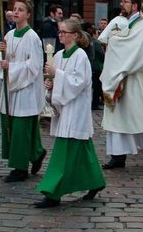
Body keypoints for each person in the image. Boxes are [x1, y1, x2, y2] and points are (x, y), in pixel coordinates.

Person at [35, 18, 106, 208]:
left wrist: (57, 74)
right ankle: (95, 181)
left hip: (75, 109)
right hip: (63, 107)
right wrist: (50, 83)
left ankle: (53, 193)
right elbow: (58, 79)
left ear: (74, 35)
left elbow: (78, 82)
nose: (60, 35)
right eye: (59, 32)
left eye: (64, 32)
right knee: (83, 150)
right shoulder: (58, 55)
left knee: (63, 152)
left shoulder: (80, 55)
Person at [98, 0, 143, 169]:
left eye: (125, 2)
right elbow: (109, 40)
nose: (122, 4)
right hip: (117, 76)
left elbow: (140, 53)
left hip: (134, 78)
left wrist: (116, 43)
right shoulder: (121, 22)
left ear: (135, 6)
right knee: (116, 117)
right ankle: (117, 157)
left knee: (136, 117)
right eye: (122, 1)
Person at [0, 0, 47, 182]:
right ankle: (36, 153)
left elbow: (34, 65)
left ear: (28, 14)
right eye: (14, 9)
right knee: (14, 125)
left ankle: (20, 168)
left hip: (25, 89)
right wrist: (1, 53)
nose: (16, 12)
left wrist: (11, 67)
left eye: (21, 10)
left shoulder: (32, 37)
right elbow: (2, 61)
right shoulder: (9, 36)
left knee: (21, 129)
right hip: (11, 88)